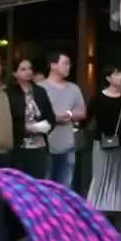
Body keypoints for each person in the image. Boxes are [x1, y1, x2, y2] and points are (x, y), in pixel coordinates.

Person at [87, 66, 121, 227]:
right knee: (100, 176)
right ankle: (95, 211)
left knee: (118, 178)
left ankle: (114, 212)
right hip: (101, 142)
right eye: (117, 74)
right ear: (108, 78)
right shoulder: (97, 98)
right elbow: (87, 118)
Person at [42, 52, 86, 188]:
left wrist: (69, 114)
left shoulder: (74, 88)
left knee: (65, 188)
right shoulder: (40, 88)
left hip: (67, 146)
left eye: (69, 64)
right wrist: (54, 118)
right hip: (45, 146)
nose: (69, 67)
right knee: (45, 187)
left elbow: (82, 112)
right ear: (53, 66)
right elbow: (33, 115)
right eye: (65, 63)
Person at [6, 58, 55, 178]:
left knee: (38, 184)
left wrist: (43, 127)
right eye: (23, 69)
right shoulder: (9, 93)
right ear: (14, 73)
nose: (28, 71)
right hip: (19, 147)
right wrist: (25, 128)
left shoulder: (40, 91)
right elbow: (6, 120)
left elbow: (51, 118)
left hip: (39, 146)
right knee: (20, 184)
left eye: (29, 68)